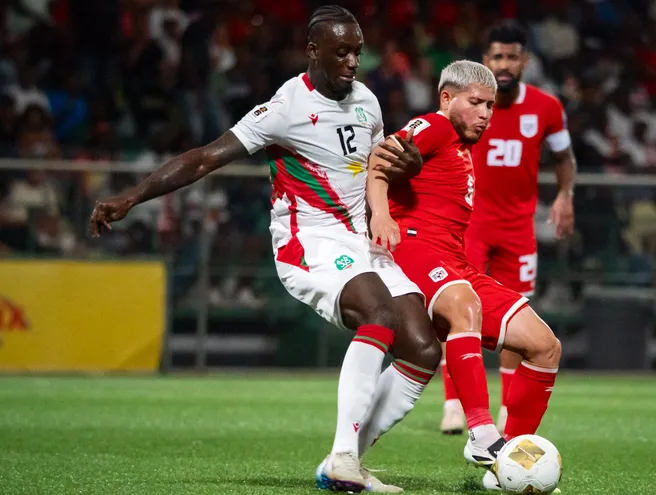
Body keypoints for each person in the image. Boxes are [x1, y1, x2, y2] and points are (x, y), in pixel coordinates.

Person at [89, 6, 440, 493]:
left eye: (357, 51)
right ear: (313, 51)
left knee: (422, 347)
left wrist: (409, 166)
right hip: (309, 241)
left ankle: (345, 461)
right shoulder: (286, 107)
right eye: (342, 52)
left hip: (361, 240)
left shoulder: (367, 102)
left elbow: (378, 168)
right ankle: (342, 458)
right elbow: (204, 159)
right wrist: (131, 195)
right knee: (378, 315)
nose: (353, 62)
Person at [368, 60, 562, 489]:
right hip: (416, 248)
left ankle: (509, 461)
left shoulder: (461, 145)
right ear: (446, 98)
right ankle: (482, 433)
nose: (485, 114)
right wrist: (382, 216)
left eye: (490, 106)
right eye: (475, 103)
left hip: (456, 263)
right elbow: (379, 159)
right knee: (464, 305)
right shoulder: (433, 126)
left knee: (545, 346)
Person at [438, 21, 576, 438]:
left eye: (512, 56)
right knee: (459, 312)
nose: (504, 64)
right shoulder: (473, 106)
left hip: (519, 230)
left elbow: (564, 157)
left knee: (517, 320)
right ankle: (452, 406)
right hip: (470, 226)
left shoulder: (547, 108)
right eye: (497, 56)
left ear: (525, 60)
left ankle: (504, 411)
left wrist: (565, 194)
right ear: (485, 60)